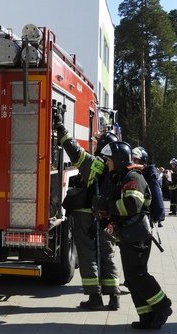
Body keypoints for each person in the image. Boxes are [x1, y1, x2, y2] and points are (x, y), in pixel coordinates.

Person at [96, 141, 172, 329]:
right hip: (130, 235)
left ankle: (163, 306)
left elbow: (131, 206)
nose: (107, 163)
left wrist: (107, 206)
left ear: (119, 159)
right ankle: (146, 316)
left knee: (137, 274)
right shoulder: (122, 176)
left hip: (137, 236)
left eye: (109, 160)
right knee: (131, 278)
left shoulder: (133, 177)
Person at [55, 119, 121, 311]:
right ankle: (114, 297)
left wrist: (60, 129)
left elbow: (74, 151)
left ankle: (95, 298)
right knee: (107, 255)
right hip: (106, 217)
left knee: (87, 255)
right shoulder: (116, 170)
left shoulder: (94, 164)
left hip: (86, 217)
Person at [131, 147, 165, 227]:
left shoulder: (148, 173)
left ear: (142, 160)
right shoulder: (133, 172)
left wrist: (158, 215)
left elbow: (157, 196)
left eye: (135, 159)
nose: (132, 162)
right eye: (132, 159)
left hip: (143, 218)